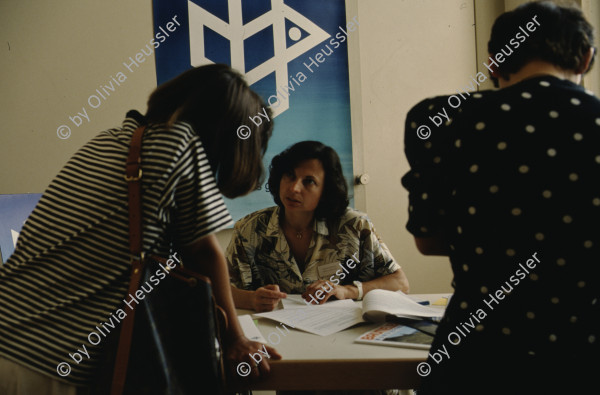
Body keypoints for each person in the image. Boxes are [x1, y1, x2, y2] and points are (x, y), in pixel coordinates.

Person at [0, 64, 280, 394]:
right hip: (47, 363)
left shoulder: (111, 139)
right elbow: (204, 254)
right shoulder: (180, 144)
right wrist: (237, 339)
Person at [402, 1, 598, 393]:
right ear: (586, 58)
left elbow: (428, 240)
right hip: (584, 354)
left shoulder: (439, 119)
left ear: (493, 63)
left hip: (478, 352)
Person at [227, 140, 409, 312]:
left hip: (343, 332)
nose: (294, 188)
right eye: (290, 175)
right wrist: (251, 299)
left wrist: (347, 291)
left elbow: (400, 283)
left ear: (326, 190)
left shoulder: (354, 225)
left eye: (309, 181)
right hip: (273, 331)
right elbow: (219, 289)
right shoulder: (249, 228)